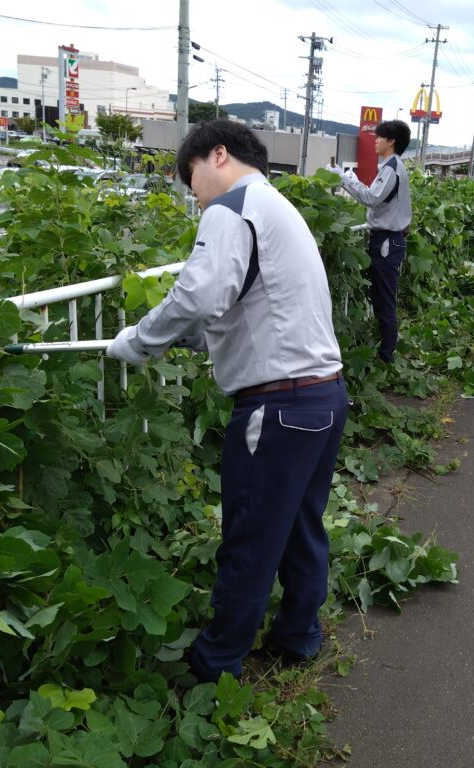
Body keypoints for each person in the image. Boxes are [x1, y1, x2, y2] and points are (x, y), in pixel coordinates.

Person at [105, 119, 350, 681]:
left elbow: (199, 292)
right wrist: (191, 335)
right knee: (299, 527)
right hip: (323, 397)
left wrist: (139, 342)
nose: (192, 196)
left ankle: (215, 668)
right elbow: (250, 302)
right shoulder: (275, 207)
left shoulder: (231, 206)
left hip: (280, 408)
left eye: (189, 177)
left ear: (217, 155)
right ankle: (298, 638)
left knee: (250, 540)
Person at [326, 120, 412, 363]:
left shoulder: (391, 167)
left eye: (379, 137)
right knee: (382, 296)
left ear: (391, 141)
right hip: (388, 240)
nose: (375, 141)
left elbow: (372, 197)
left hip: (387, 242)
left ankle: (386, 358)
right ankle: (385, 352)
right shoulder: (391, 166)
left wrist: (343, 178)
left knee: (384, 299)